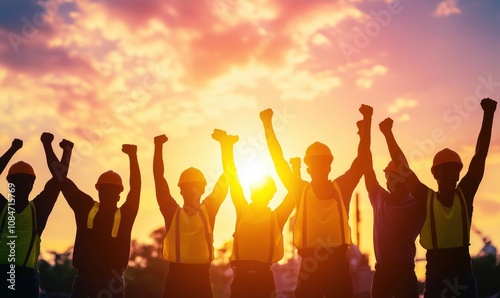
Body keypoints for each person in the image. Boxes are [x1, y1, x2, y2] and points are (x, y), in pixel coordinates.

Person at [379, 98, 496, 297]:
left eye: (454, 170)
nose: (450, 174)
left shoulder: (465, 194)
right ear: (435, 174)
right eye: (445, 170)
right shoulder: (426, 198)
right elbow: (403, 169)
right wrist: (388, 134)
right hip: (436, 276)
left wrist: (489, 114)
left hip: (462, 276)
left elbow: (480, 155)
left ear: (460, 174)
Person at [260, 105, 372, 298]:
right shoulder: (311, 189)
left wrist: (368, 123)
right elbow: (278, 160)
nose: (319, 168)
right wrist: (267, 125)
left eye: (322, 163)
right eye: (315, 164)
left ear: (329, 167)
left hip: (334, 266)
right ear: (309, 169)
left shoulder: (338, 187)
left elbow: (361, 159)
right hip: (313, 266)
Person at [214, 128, 294, 298]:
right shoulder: (244, 210)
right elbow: (232, 178)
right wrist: (226, 147)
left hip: (262, 280)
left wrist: (296, 169)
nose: (260, 194)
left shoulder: (275, 217)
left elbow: (294, 194)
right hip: (243, 278)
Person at [154, 132, 229, 298]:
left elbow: (159, 179)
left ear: (180, 189)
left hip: (178, 282)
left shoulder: (171, 212)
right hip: (198, 282)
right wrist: (225, 146)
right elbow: (226, 180)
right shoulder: (208, 211)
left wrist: (158, 147)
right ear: (203, 189)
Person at [60, 144, 140, 298]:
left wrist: (66, 151)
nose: (109, 194)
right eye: (106, 190)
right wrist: (132, 156)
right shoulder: (89, 208)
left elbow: (61, 179)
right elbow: (62, 180)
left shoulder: (88, 207)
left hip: (102, 283)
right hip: (95, 283)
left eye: (112, 190)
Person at [0, 133, 73, 298]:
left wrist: (13, 149)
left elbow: (59, 179)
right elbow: (59, 179)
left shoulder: (32, 209)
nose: (21, 185)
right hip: (18, 277)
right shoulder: (38, 208)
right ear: (32, 184)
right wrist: (60, 150)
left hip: (16, 277)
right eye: (18, 182)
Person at [364, 152, 425, 297]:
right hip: (382, 274)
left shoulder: (417, 203)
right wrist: (364, 135)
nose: (387, 182)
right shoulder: (380, 199)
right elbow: (368, 171)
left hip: (404, 273)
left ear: (405, 181)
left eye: (392, 178)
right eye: (387, 178)